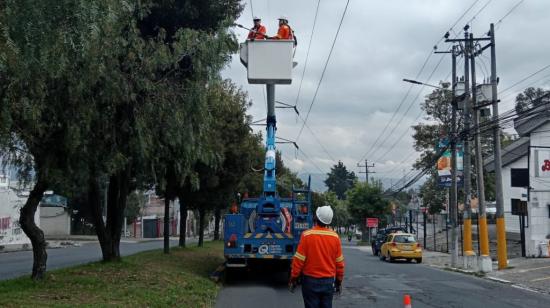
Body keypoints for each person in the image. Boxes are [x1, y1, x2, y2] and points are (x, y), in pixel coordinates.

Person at [289, 205, 345, 308]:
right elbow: (339, 263)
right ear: (329, 221)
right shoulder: (335, 237)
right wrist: (338, 281)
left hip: (310, 281)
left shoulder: (306, 235)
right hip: (328, 281)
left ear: (316, 218)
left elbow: (299, 260)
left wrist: (294, 278)